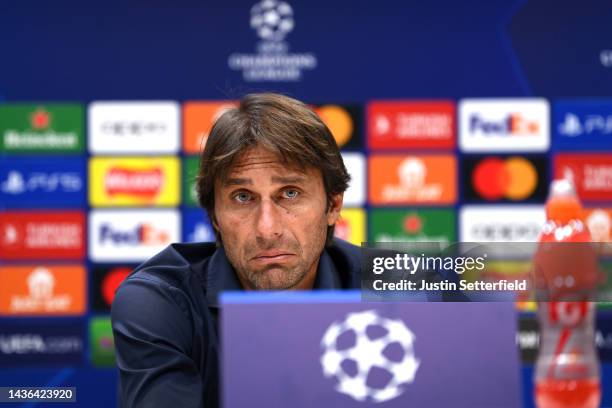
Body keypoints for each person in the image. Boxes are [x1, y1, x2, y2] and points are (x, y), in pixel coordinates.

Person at [111, 93, 362, 408]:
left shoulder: (404, 284)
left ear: (333, 205)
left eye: (290, 193)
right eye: (243, 197)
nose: (267, 228)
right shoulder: (159, 300)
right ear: (215, 215)